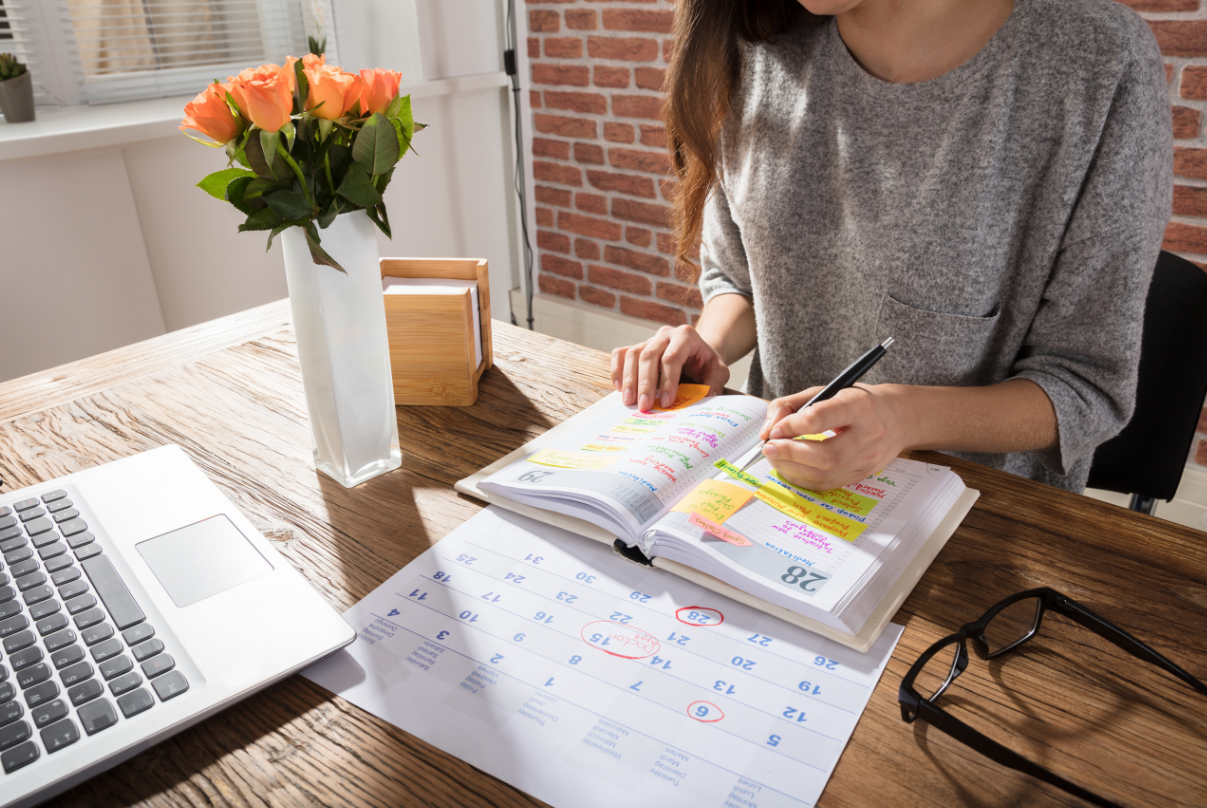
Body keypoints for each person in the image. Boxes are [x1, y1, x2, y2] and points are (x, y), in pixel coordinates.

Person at [610, 0, 1172, 492]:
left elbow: (1086, 385)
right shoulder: (755, 46)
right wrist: (707, 345)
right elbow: (740, 281)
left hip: (976, 524)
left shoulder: (1096, 61)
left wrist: (902, 418)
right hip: (771, 487)